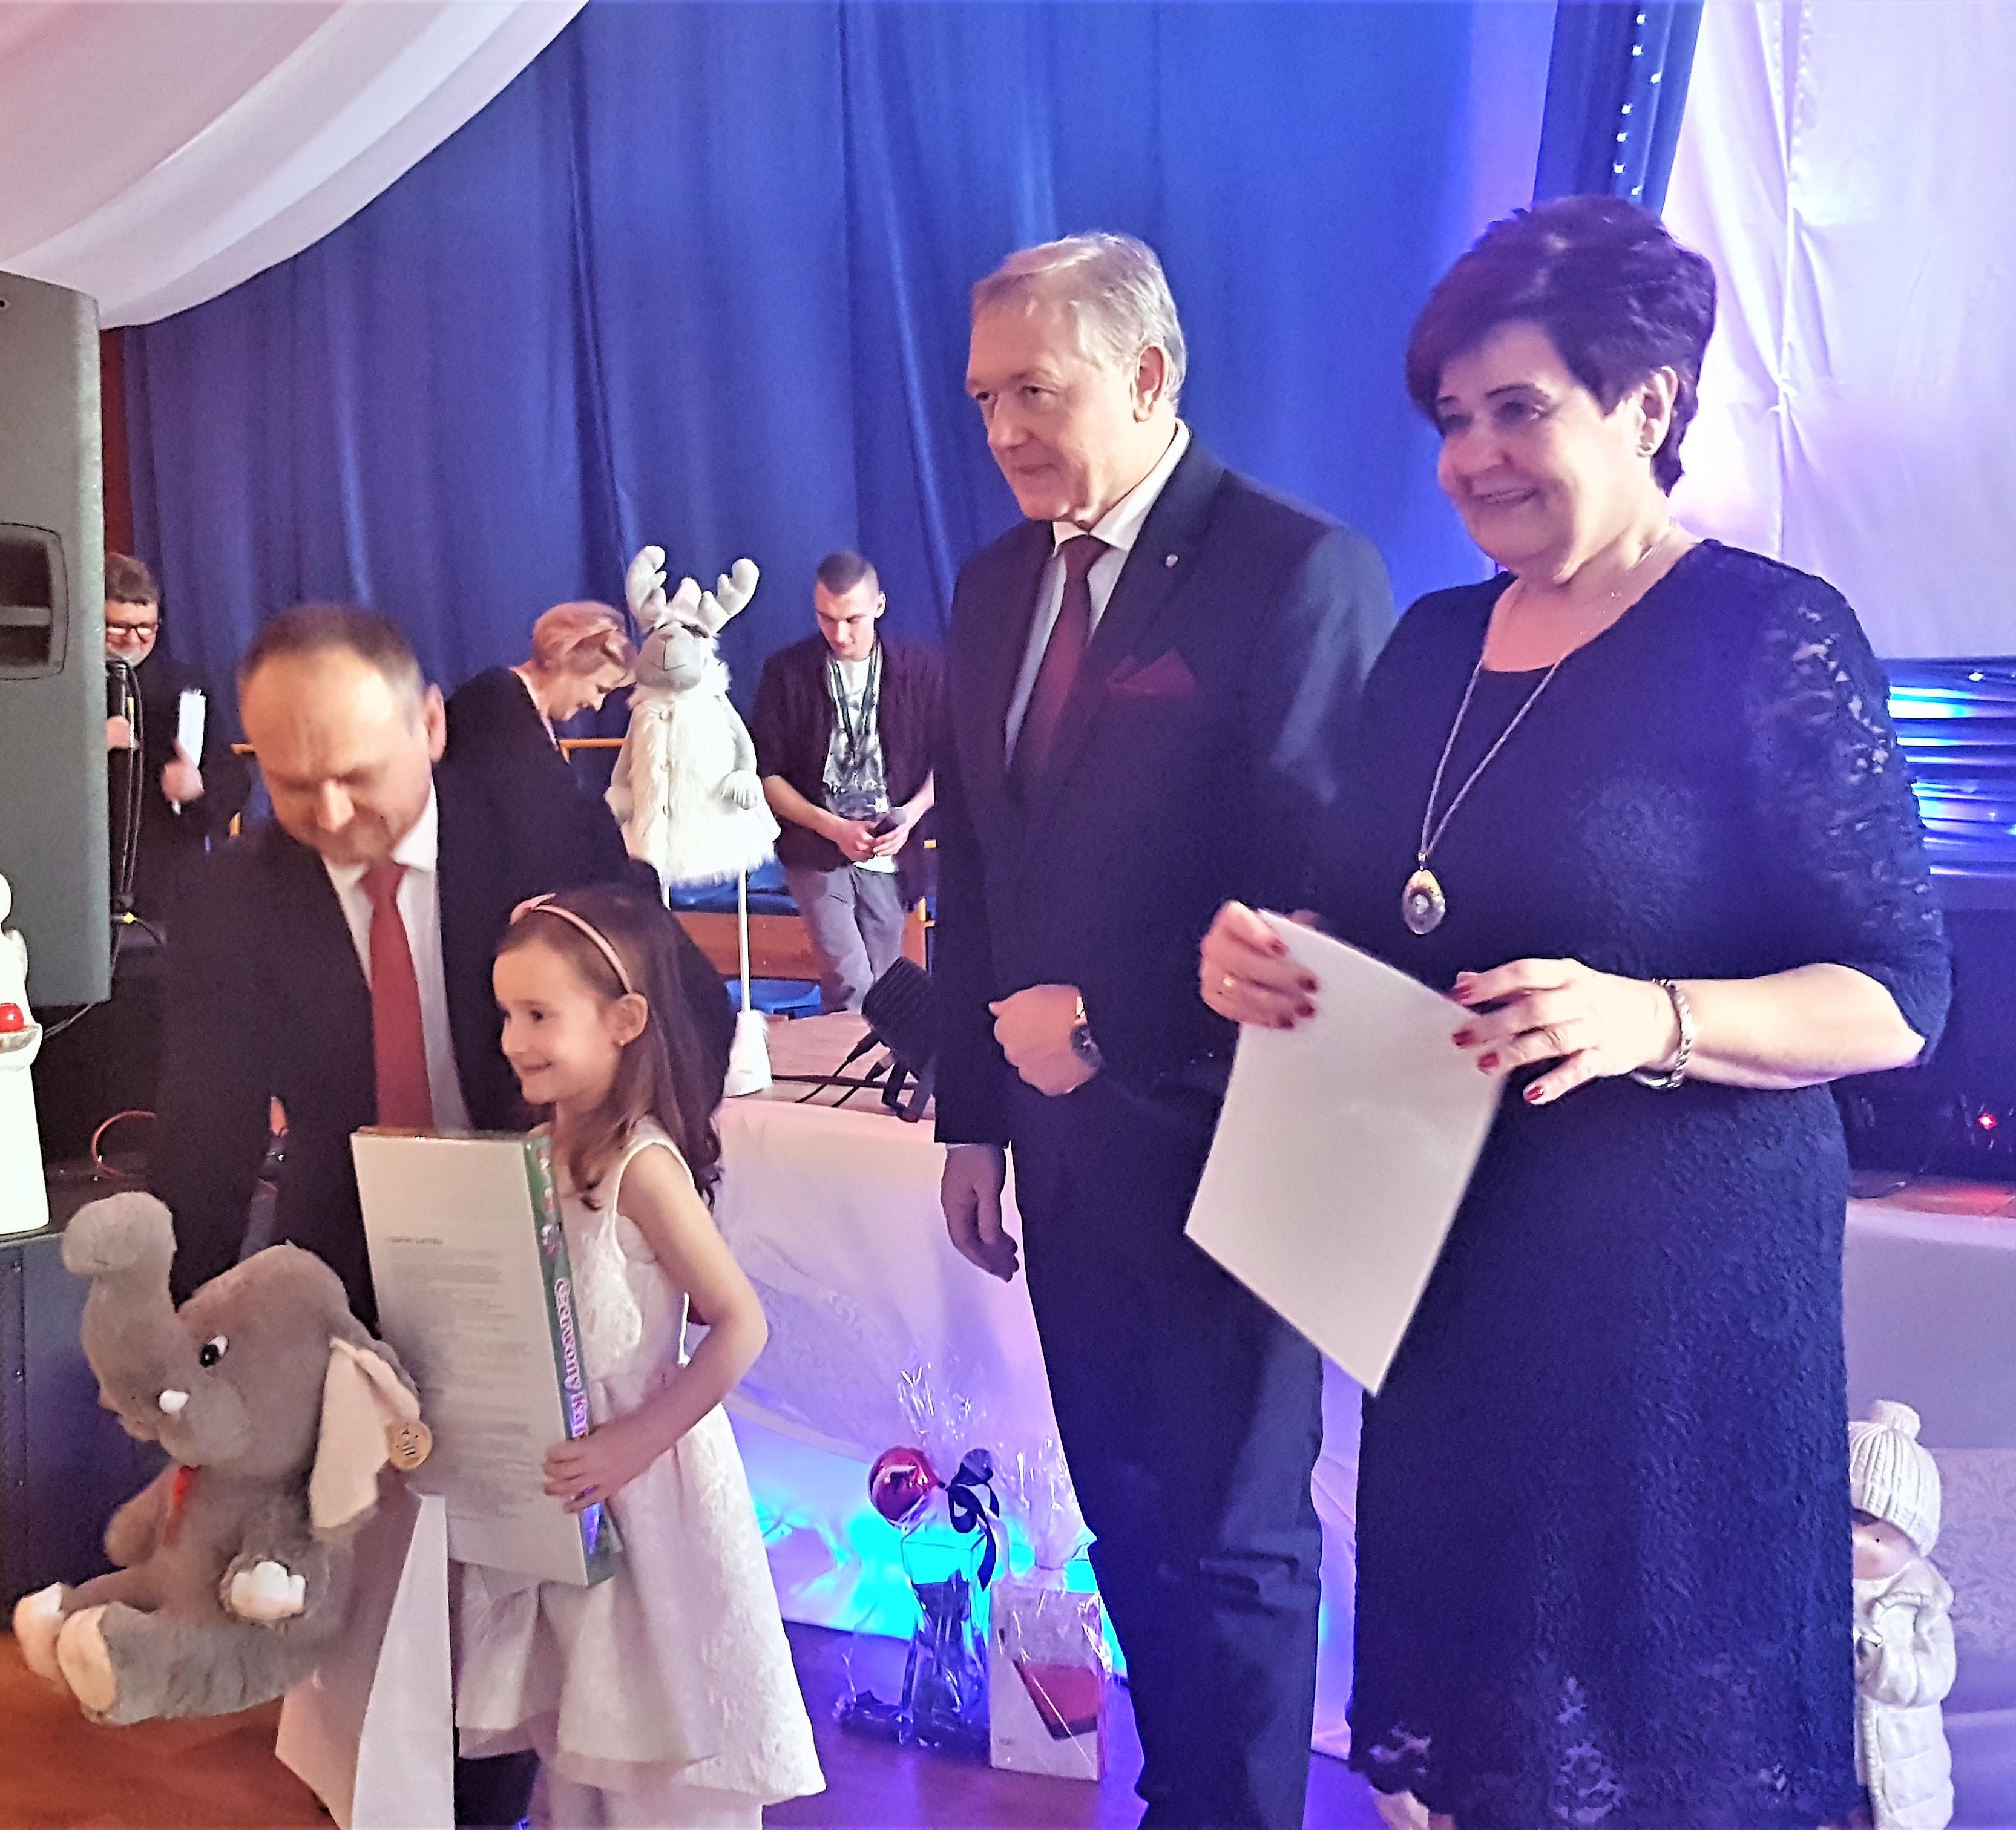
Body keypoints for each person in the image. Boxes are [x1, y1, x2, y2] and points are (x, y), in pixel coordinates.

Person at [1198, 197, 1949, 1829]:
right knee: (1482, 1753)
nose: (1471, 457)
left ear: (1649, 402)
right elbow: (1374, 915)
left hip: (1674, 1312)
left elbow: (1898, 996)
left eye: (1517, 409)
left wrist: (1651, 1018)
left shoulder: (1767, 634)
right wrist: (1274, 959)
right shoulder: (1428, 647)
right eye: (1451, 418)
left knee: (1662, 1753)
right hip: (1453, 1281)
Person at [934, 232, 1393, 1827]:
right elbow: (977, 866)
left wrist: (1110, 1021)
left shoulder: (1295, 570)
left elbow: (1318, 894)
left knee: (1240, 1538)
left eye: (1034, 391)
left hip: (1231, 1134)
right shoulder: (993, 585)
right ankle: (1183, 1800)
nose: (1003, 429)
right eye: (983, 397)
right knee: (1123, 1512)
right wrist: (972, 1116)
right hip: (1055, 1151)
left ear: (1144, 377)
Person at [148, 606, 732, 1829]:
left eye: (358, 774)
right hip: (359, 1248)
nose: (332, 812)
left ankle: (544, 1774)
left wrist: (638, 1166)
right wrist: (181, 1347)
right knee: (390, 1573)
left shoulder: (534, 824)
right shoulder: (233, 897)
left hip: (552, 1231)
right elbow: (205, 1129)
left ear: (427, 725)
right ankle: (422, 1788)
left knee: (551, 1563)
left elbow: (686, 1002)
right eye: (292, 783)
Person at [456, 884, 824, 1825]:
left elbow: (739, 1323)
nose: (514, 1039)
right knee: (584, 1745)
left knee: (659, 1755)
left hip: (649, 1488)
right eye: (508, 1015)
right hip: (571, 1489)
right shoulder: (535, 1153)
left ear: (624, 1021)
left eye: (540, 1015)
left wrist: (637, 1441)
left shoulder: (644, 1168)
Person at [748, 551, 941, 1014]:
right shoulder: (786, 672)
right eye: (826, 619)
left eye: (852, 619)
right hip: (815, 847)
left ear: (879, 606)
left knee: (887, 986)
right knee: (849, 983)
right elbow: (766, 775)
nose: (838, 634)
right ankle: (848, 1059)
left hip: (889, 850)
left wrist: (909, 815)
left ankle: (879, 1063)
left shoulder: (921, 668)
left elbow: (949, 761)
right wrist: (833, 827)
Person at [102, 553, 250, 923]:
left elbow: (232, 782)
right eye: (117, 627)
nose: (133, 640)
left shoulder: (184, 687)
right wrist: (87, 747)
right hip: (82, 873)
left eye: (146, 628)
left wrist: (197, 789)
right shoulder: (55, 688)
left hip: (163, 878)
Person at [445, 599, 634, 835]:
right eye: (600, 689)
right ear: (570, 663)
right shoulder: (498, 703)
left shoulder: (520, 708)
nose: (597, 706)